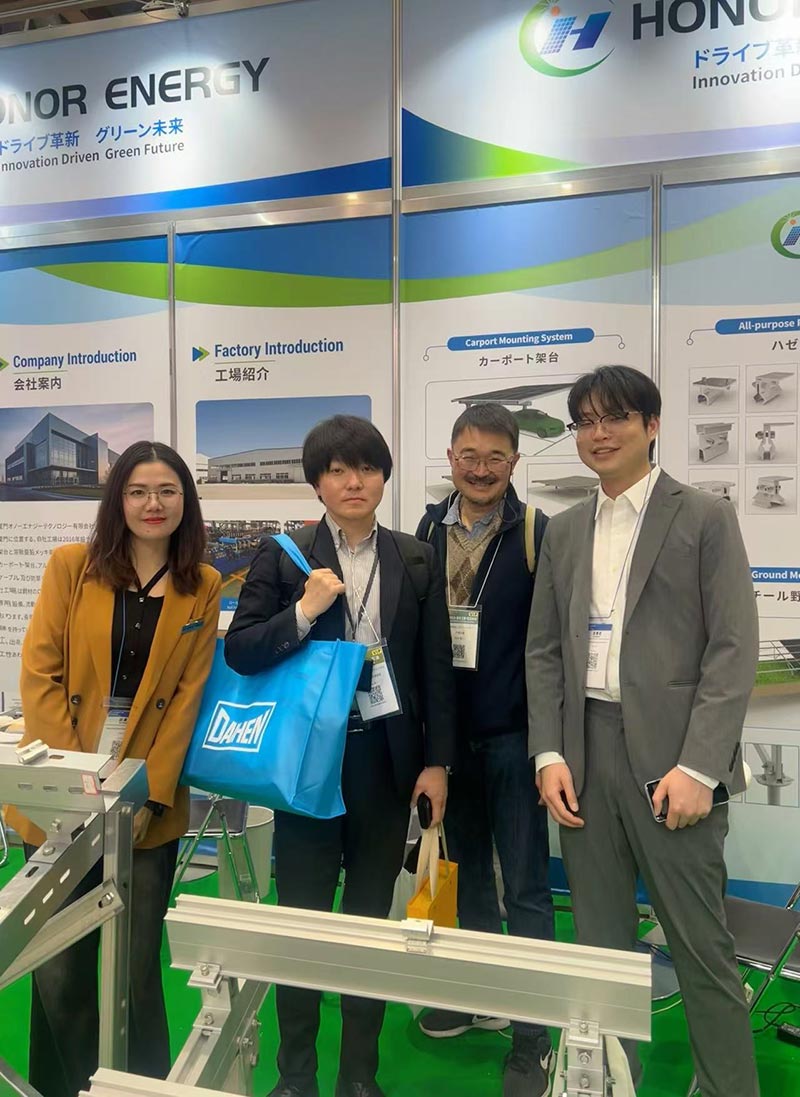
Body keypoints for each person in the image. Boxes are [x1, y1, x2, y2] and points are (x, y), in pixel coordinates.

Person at [526, 366, 759, 1096]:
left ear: (652, 425)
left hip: (674, 762)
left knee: (700, 948)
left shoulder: (704, 516)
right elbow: (544, 650)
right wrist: (549, 752)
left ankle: (726, 1087)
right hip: (585, 757)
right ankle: (606, 1082)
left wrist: (700, 766)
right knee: (600, 951)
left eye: (617, 417)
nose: (599, 434)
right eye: (586, 421)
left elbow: (733, 648)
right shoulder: (565, 530)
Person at [225, 415, 456, 1097]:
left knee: (367, 926)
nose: (354, 481)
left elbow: (434, 668)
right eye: (337, 470)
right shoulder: (284, 555)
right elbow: (241, 650)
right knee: (301, 922)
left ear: (384, 477)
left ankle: (360, 1076)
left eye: (367, 468)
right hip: (306, 766)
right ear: (317, 482)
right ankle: (296, 1076)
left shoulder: (415, 557)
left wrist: (436, 762)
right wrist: (303, 612)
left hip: (385, 764)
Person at [6, 441, 221, 1097]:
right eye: (138, 491)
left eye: (167, 491)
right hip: (61, 796)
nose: (153, 504)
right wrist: (76, 786)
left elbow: (186, 698)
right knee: (58, 969)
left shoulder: (202, 584)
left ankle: (138, 1087)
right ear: (118, 500)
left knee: (133, 971)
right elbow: (40, 673)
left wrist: (148, 796)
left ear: (185, 501)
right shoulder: (73, 566)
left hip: (144, 803)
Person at [414, 402, 554, 1097]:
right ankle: (474, 993)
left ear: (514, 463)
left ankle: (532, 1037)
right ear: (450, 458)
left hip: (513, 736)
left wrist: (548, 744)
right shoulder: (424, 532)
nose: (480, 468)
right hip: (446, 741)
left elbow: (552, 644)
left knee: (524, 885)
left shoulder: (536, 533)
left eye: (495, 457)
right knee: (462, 873)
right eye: (468, 455)